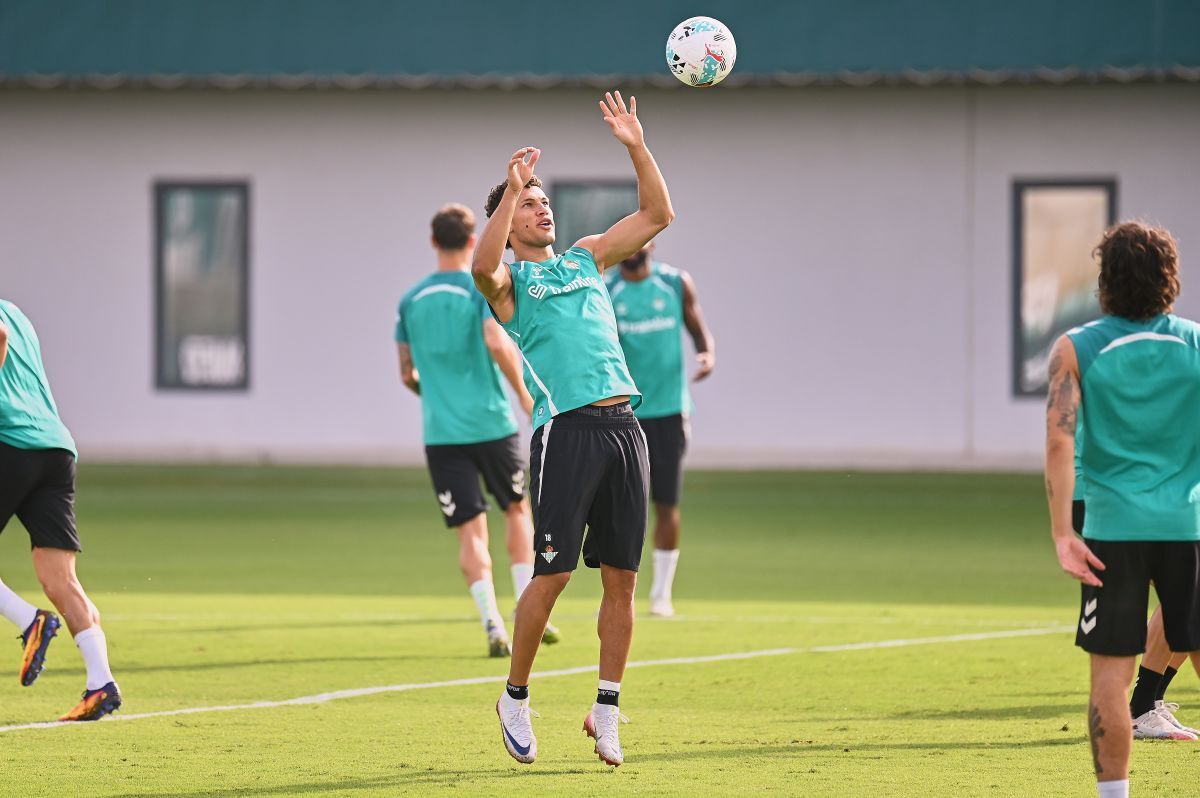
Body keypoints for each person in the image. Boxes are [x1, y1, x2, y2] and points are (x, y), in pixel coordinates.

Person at [473, 90, 673, 767]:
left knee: (622, 581)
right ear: (509, 222)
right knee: (553, 575)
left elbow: (658, 215)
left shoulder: (585, 257)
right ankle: (515, 697)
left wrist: (636, 146)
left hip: (625, 428)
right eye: (529, 204)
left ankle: (606, 710)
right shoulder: (511, 286)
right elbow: (482, 268)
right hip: (567, 432)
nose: (542, 208)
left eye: (543, 201)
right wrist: (510, 189)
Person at [1045, 221, 1200, 798]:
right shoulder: (1196, 344)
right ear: (1170, 279)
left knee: (1110, 675)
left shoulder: (1074, 347)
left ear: (1105, 280)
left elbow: (1059, 442)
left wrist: (1063, 533)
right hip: (1187, 524)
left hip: (1110, 528)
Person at [395, 203, 558, 658]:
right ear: (472, 241)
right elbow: (495, 341)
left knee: (470, 531)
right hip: (491, 424)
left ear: (433, 241)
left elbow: (407, 373)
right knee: (516, 510)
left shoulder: (410, 300)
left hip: (442, 433)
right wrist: (524, 396)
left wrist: (435, 393)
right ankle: (527, 605)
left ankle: (491, 621)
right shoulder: (477, 287)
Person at [0, 299, 121, 721]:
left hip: (9, 442)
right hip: (54, 447)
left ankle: (28, 620)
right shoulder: (15, 311)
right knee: (60, 578)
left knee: (56, 584)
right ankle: (101, 683)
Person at [605, 242, 715, 617]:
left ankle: (661, 592)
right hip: (624, 411)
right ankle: (620, 590)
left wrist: (706, 353)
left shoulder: (675, 283)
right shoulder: (607, 289)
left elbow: (697, 328)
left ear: (651, 243)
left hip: (669, 410)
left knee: (666, 503)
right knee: (622, 505)